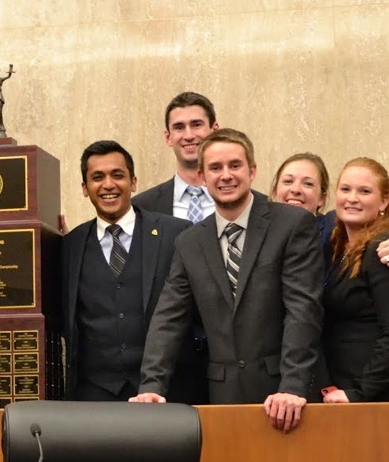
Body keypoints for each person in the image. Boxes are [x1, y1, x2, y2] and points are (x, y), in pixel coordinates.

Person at [132, 129, 324, 433]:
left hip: (287, 398)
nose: (226, 176)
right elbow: (168, 318)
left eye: (235, 165)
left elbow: (303, 310)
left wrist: (292, 387)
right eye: (215, 168)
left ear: (252, 170)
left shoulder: (292, 224)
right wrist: (152, 386)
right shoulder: (189, 243)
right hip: (224, 398)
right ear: (202, 176)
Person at [62, 140, 206, 404]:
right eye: (97, 177)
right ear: (85, 188)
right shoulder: (70, 246)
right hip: (95, 397)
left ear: (134, 182)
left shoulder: (177, 234)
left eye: (118, 175)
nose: (108, 185)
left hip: (170, 392)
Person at [319, 157, 389, 402]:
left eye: (365, 191)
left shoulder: (386, 249)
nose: (352, 198)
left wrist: (359, 393)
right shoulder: (340, 248)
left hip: (388, 397)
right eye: (345, 189)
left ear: (383, 201)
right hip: (353, 391)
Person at [269, 151, 389, 271]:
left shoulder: (332, 227)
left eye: (308, 184)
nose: (295, 190)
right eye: (288, 181)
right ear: (275, 190)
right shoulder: (258, 226)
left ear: (322, 198)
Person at [131, 91, 219, 222]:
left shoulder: (245, 202)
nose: (188, 136)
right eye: (179, 127)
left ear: (215, 130)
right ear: (168, 137)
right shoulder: (141, 207)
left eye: (196, 125)